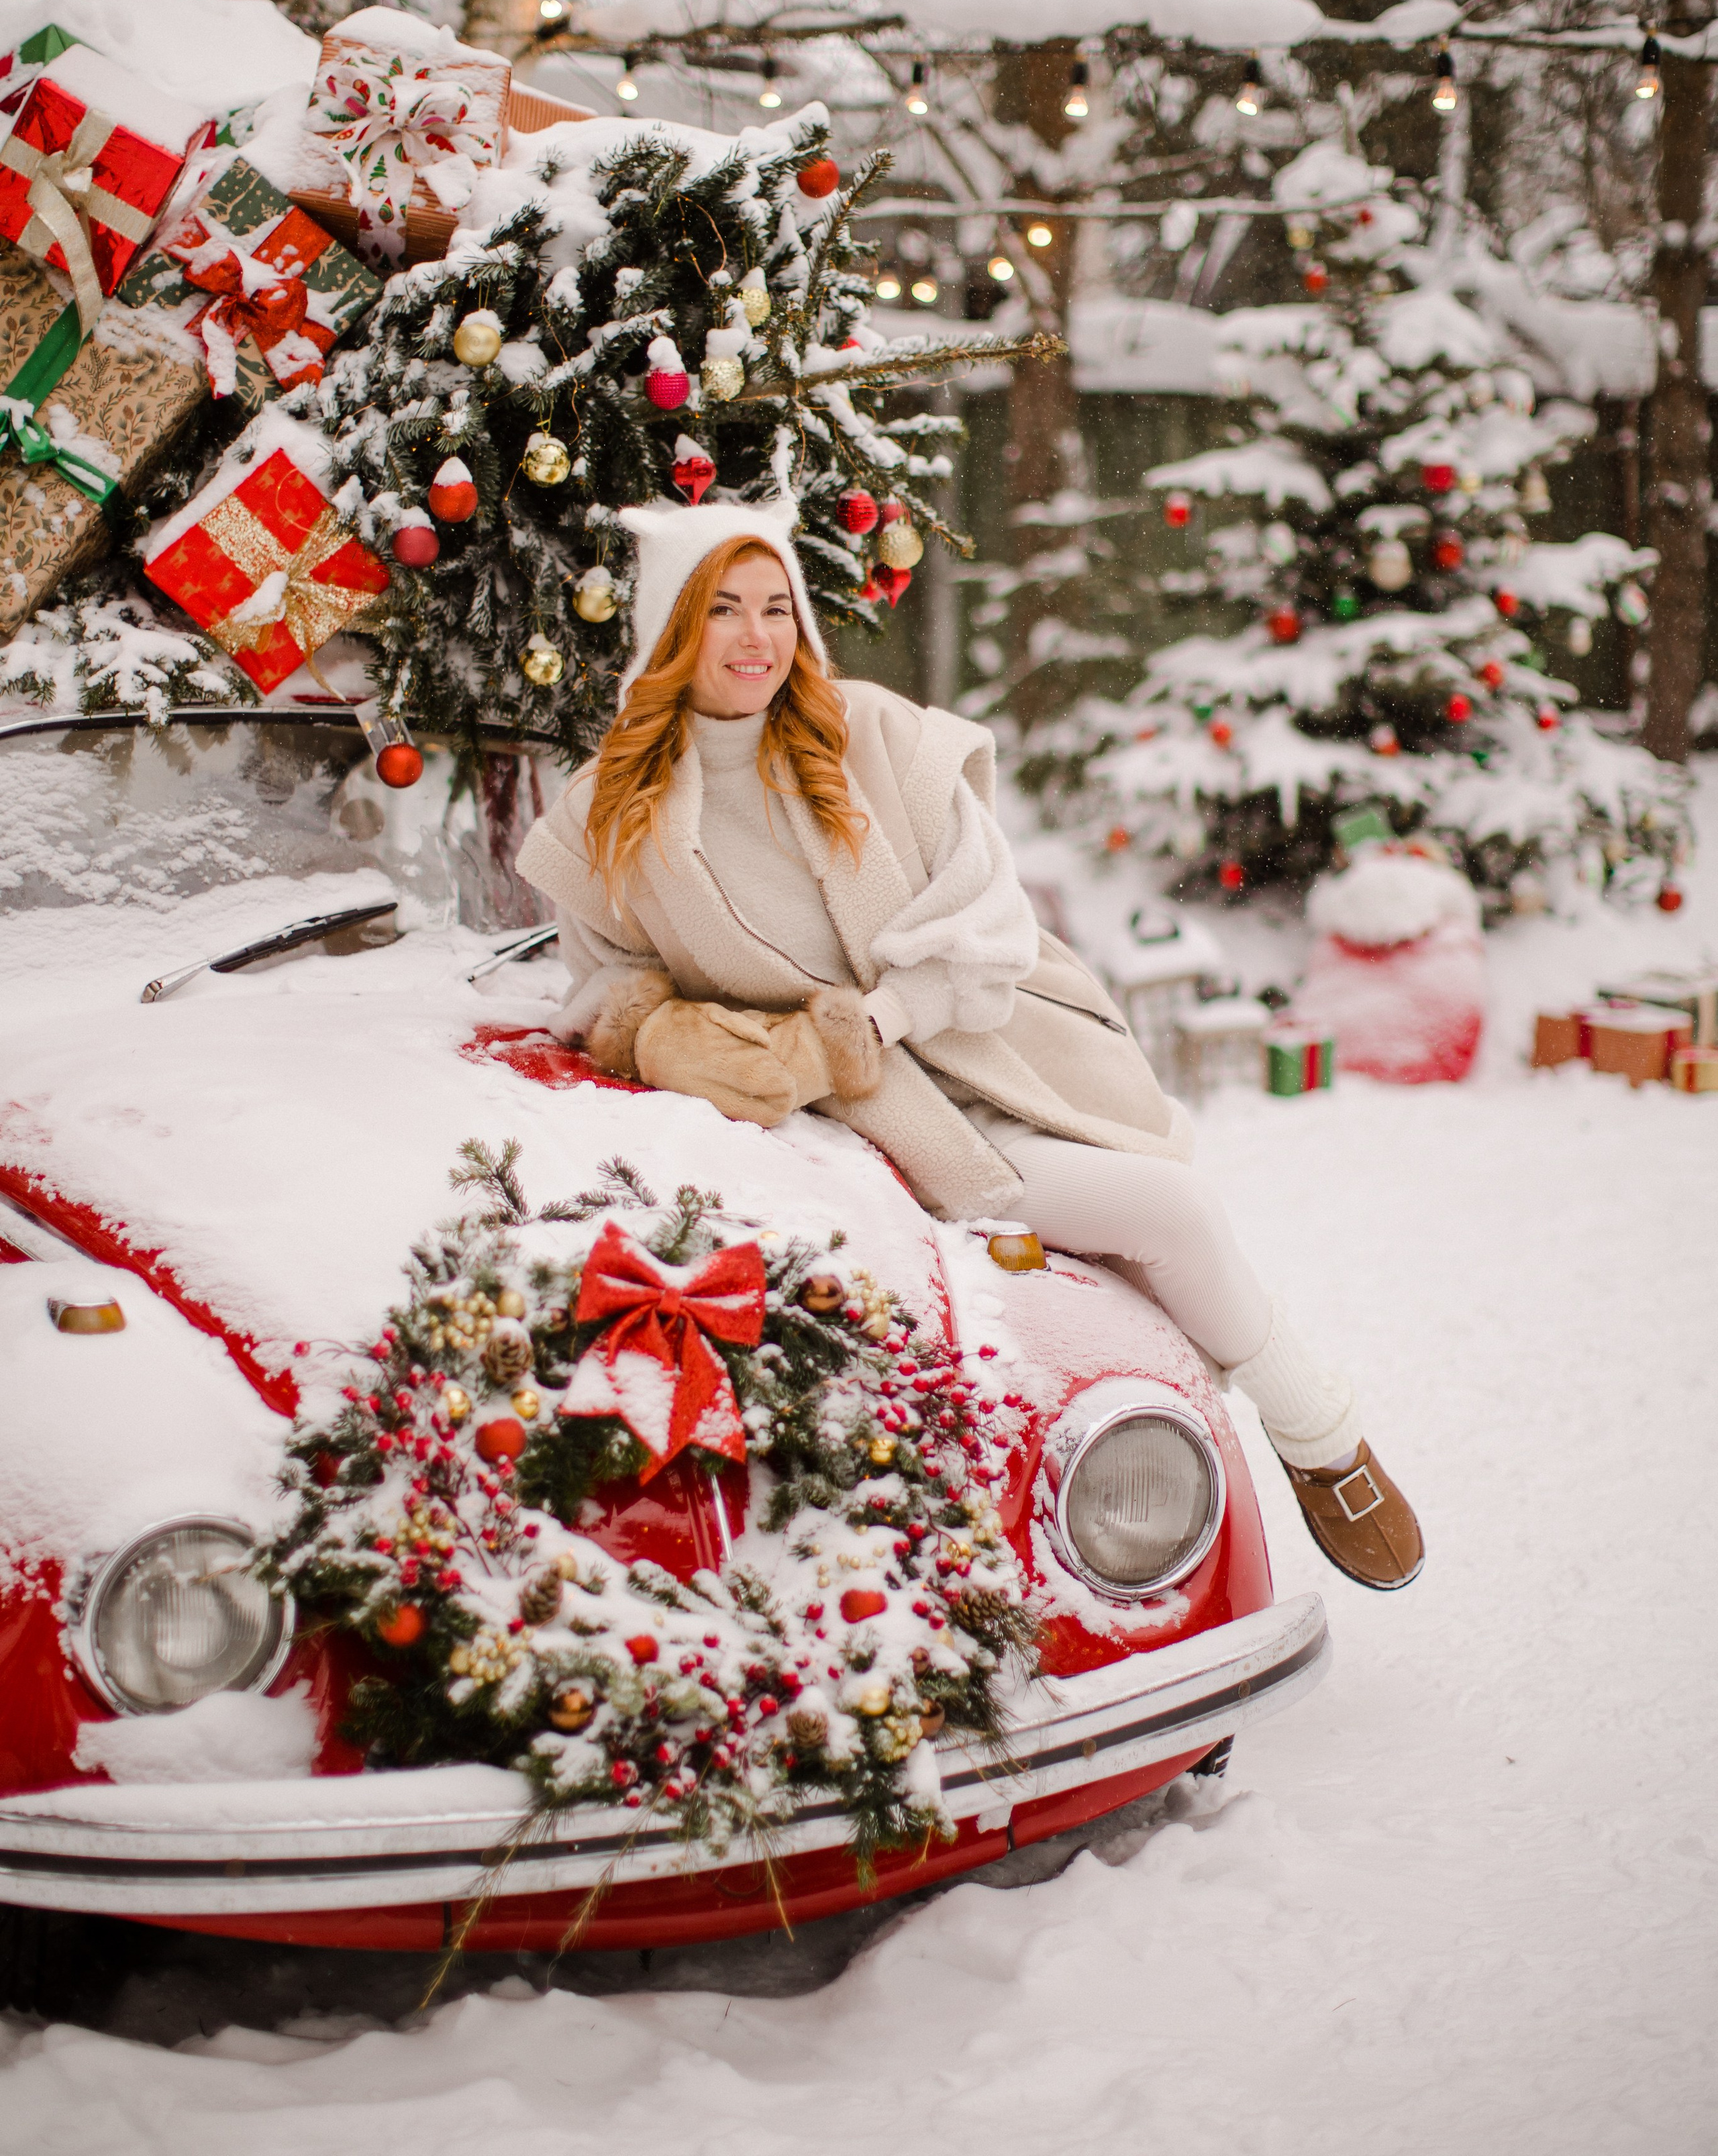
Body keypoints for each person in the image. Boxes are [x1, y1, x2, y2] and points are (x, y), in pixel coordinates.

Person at [517, 499, 1423, 1591]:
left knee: (1164, 1216)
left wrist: (863, 1029)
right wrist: (684, 1040)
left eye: (777, 609)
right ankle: (1258, 1457)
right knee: (1156, 1222)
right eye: (724, 612)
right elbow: (606, 983)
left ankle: (1310, 1444)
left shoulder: (874, 740)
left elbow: (986, 923)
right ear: (671, 631)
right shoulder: (609, 812)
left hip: (996, 1054)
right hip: (855, 1136)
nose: (759, 639)